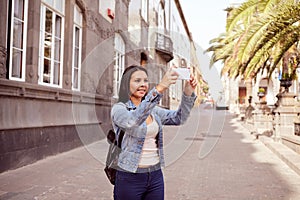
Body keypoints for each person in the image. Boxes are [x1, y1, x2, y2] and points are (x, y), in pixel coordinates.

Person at [111, 65, 197, 200]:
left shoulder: (153, 110)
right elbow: (132, 121)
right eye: (137, 80)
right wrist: (160, 88)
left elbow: (179, 118)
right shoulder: (119, 109)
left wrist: (187, 93)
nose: (143, 84)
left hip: (155, 175)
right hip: (129, 176)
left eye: (145, 81)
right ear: (126, 84)